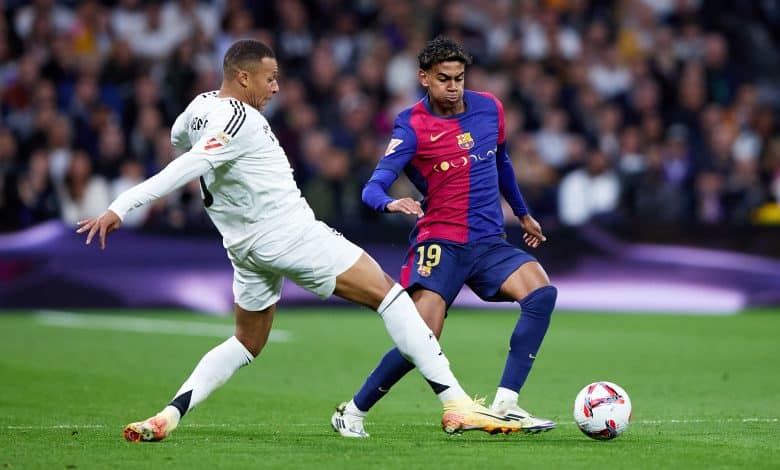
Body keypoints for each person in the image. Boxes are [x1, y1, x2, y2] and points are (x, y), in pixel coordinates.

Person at [76, 39, 526, 442]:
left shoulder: (200, 107)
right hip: (288, 232)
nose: (275, 89)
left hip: (244, 249)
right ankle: (456, 403)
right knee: (392, 298)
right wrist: (121, 206)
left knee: (246, 343)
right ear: (243, 77)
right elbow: (186, 165)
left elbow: (178, 137)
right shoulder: (238, 119)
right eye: (270, 80)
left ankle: (170, 414)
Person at [330, 37, 557, 438]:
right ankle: (352, 411)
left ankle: (506, 403)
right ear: (424, 78)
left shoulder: (489, 108)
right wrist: (390, 203)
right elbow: (372, 187)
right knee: (423, 335)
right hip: (441, 241)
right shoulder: (412, 125)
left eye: (459, 78)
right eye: (443, 79)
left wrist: (522, 214)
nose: (453, 87)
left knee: (541, 293)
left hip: (489, 240)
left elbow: (502, 162)